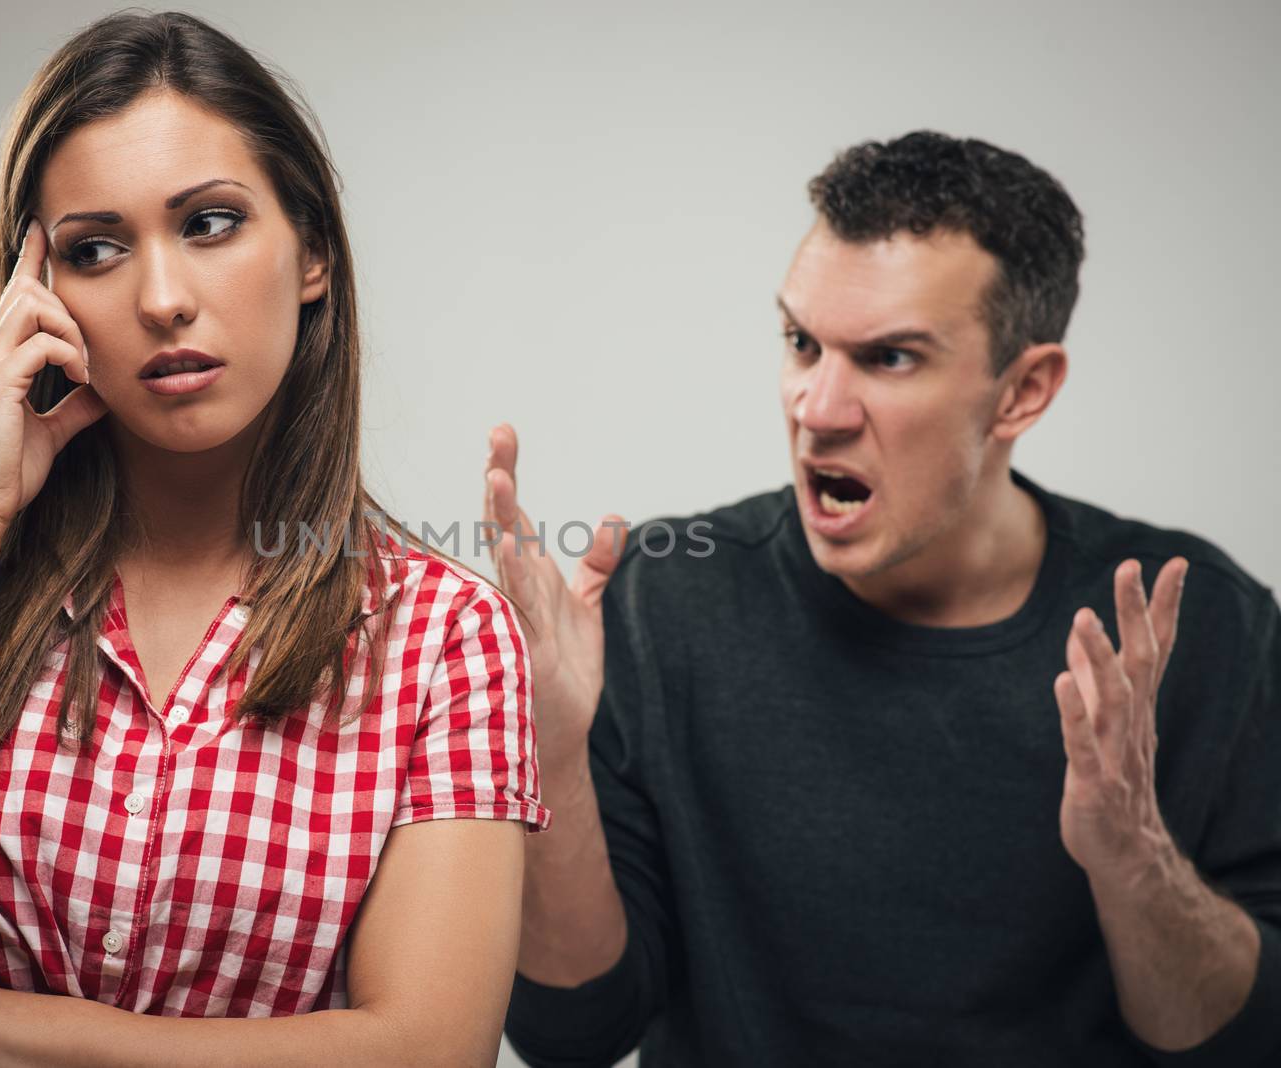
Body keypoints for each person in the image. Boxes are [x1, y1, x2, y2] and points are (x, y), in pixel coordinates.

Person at [0, 12, 548, 1067]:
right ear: (39, 296)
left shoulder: (442, 637)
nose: (163, 298)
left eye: (210, 224)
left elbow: (426, 1051)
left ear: (311, 252)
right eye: (95, 249)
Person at [493, 131, 1280, 1066]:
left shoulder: (1193, 626)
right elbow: (573, 1036)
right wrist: (552, 759)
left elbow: (1248, 1042)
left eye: (890, 358)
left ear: (1023, 391)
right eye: (801, 342)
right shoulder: (654, 605)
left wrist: (1131, 852)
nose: (816, 408)